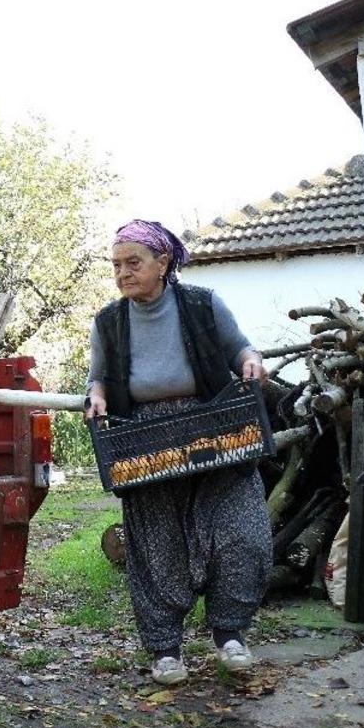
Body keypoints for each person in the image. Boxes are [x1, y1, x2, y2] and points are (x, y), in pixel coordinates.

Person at [84, 219, 272, 686]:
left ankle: (230, 633)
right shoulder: (109, 322)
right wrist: (97, 395)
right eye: (116, 265)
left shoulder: (202, 304)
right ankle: (166, 648)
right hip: (144, 439)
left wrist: (251, 362)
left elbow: (240, 349)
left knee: (239, 529)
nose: (123, 274)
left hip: (213, 429)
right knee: (154, 541)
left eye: (134, 263)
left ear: (163, 263)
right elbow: (98, 377)